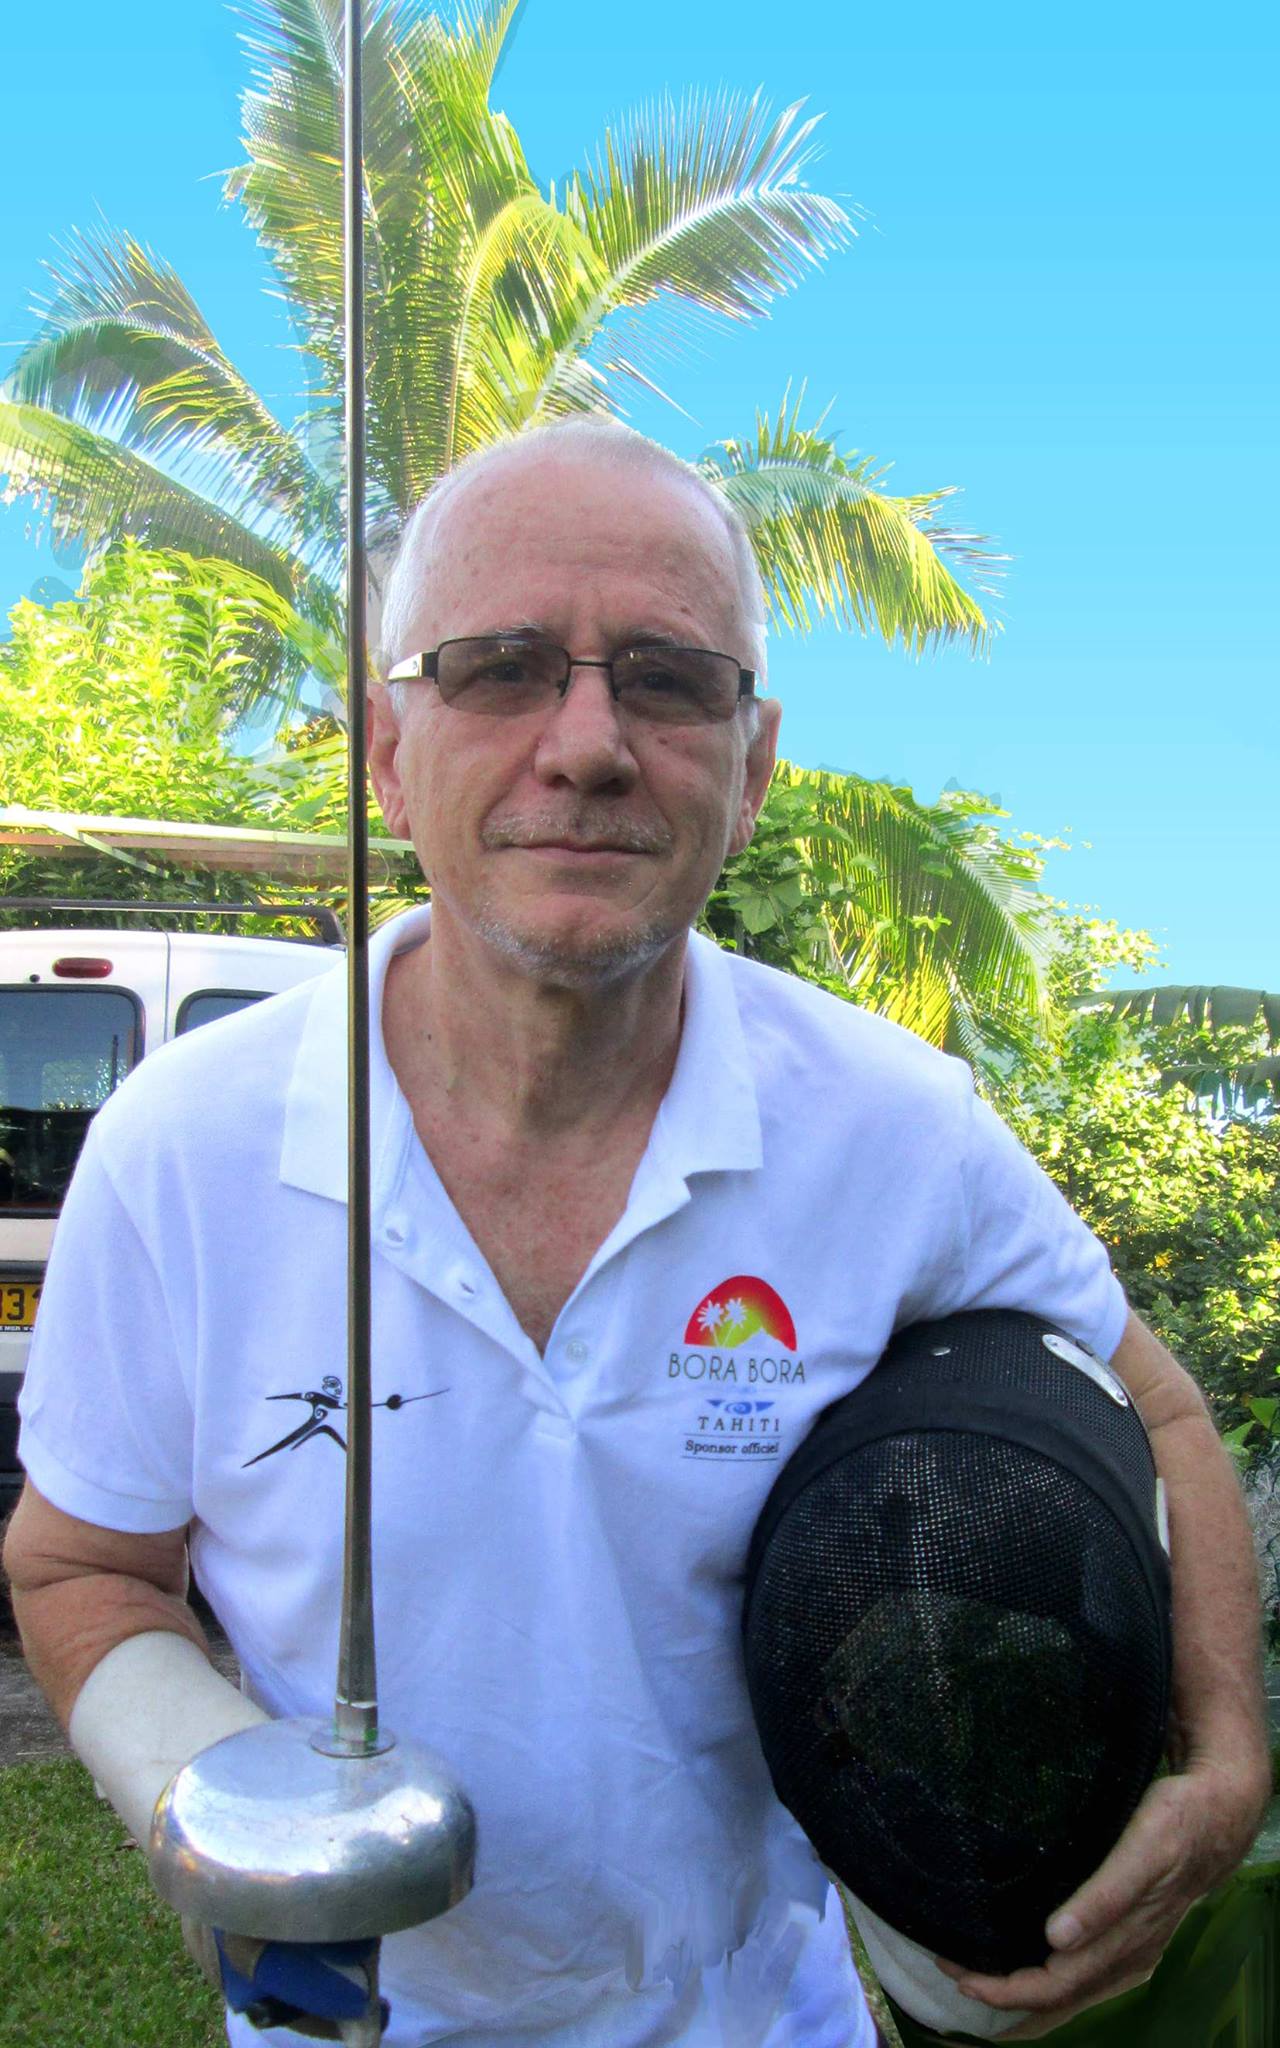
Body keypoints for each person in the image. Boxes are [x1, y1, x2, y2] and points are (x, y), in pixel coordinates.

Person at [4, 419, 1270, 2048]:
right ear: (386, 750)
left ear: (752, 768)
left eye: (668, 680)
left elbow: (1155, 1410)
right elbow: (82, 1565)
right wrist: (219, 1811)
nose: (588, 745)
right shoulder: (182, 1148)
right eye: (501, 667)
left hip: (761, 2015)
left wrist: (1227, 1758)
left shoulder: (894, 1131)